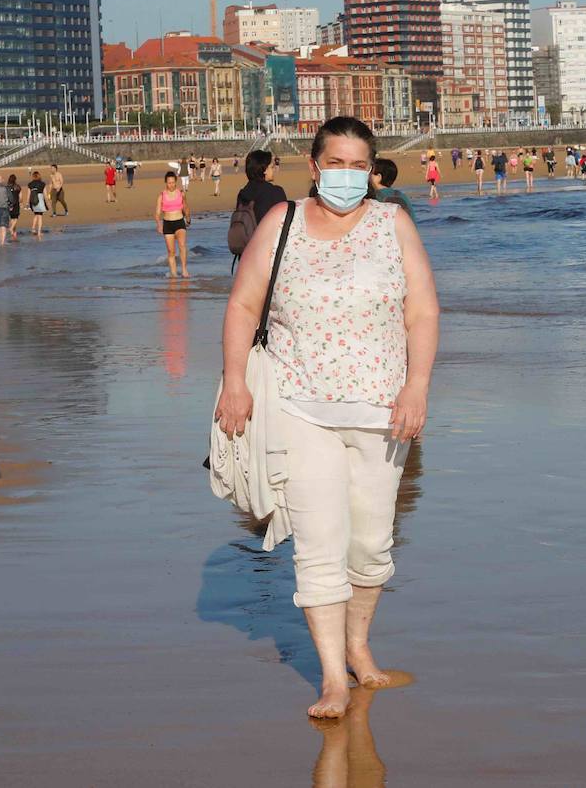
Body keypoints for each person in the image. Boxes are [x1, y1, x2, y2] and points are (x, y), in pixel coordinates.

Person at [215, 116, 439, 719]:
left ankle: (359, 649)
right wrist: (235, 381)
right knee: (318, 545)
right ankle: (332, 679)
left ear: (373, 171)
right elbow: (242, 304)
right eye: (334, 163)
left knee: (369, 543)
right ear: (314, 167)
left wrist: (417, 388)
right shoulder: (280, 221)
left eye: (357, 165)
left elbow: (422, 311)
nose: (346, 175)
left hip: (382, 410)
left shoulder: (393, 224)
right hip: (298, 407)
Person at [235, 149, 288, 225]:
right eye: (271, 167)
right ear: (265, 170)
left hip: (248, 235)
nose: (273, 170)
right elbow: (284, 223)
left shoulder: (242, 193)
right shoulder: (275, 192)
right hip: (267, 235)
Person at [155, 171, 190, 278]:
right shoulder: (161, 195)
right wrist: (159, 224)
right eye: (169, 183)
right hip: (167, 224)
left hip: (179, 222)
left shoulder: (181, 193)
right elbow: (157, 213)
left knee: (182, 246)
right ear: (166, 183)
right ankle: (174, 274)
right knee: (171, 251)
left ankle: (184, 270)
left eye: (173, 182)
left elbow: (185, 207)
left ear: (176, 182)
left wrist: (188, 217)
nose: (171, 185)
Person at [27, 170, 48, 237]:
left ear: (33, 176)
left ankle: (33, 229)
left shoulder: (30, 184)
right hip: (40, 199)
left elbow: (28, 194)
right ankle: (39, 232)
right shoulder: (42, 184)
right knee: (40, 216)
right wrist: (47, 202)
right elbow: (45, 194)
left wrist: (27, 203)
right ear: (39, 176)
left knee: (36, 214)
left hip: (33, 200)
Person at [5, 174, 21, 241]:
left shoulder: (7, 187)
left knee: (12, 218)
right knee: (16, 218)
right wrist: (21, 202)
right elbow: (21, 197)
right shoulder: (17, 187)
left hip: (9, 204)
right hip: (16, 203)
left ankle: (14, 234)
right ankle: (11, 229)